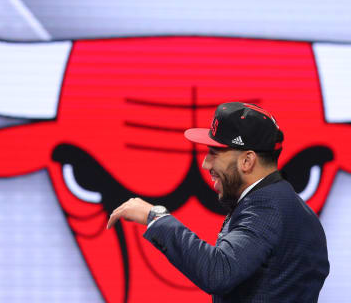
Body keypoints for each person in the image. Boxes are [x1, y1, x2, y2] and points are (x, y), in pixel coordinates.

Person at [107, 102, 330, 302]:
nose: (205, 164)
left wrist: (156, 217)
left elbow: (218, 271)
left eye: (214, 153)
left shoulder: (267, 207)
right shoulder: (282, 202)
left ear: (247, 161)